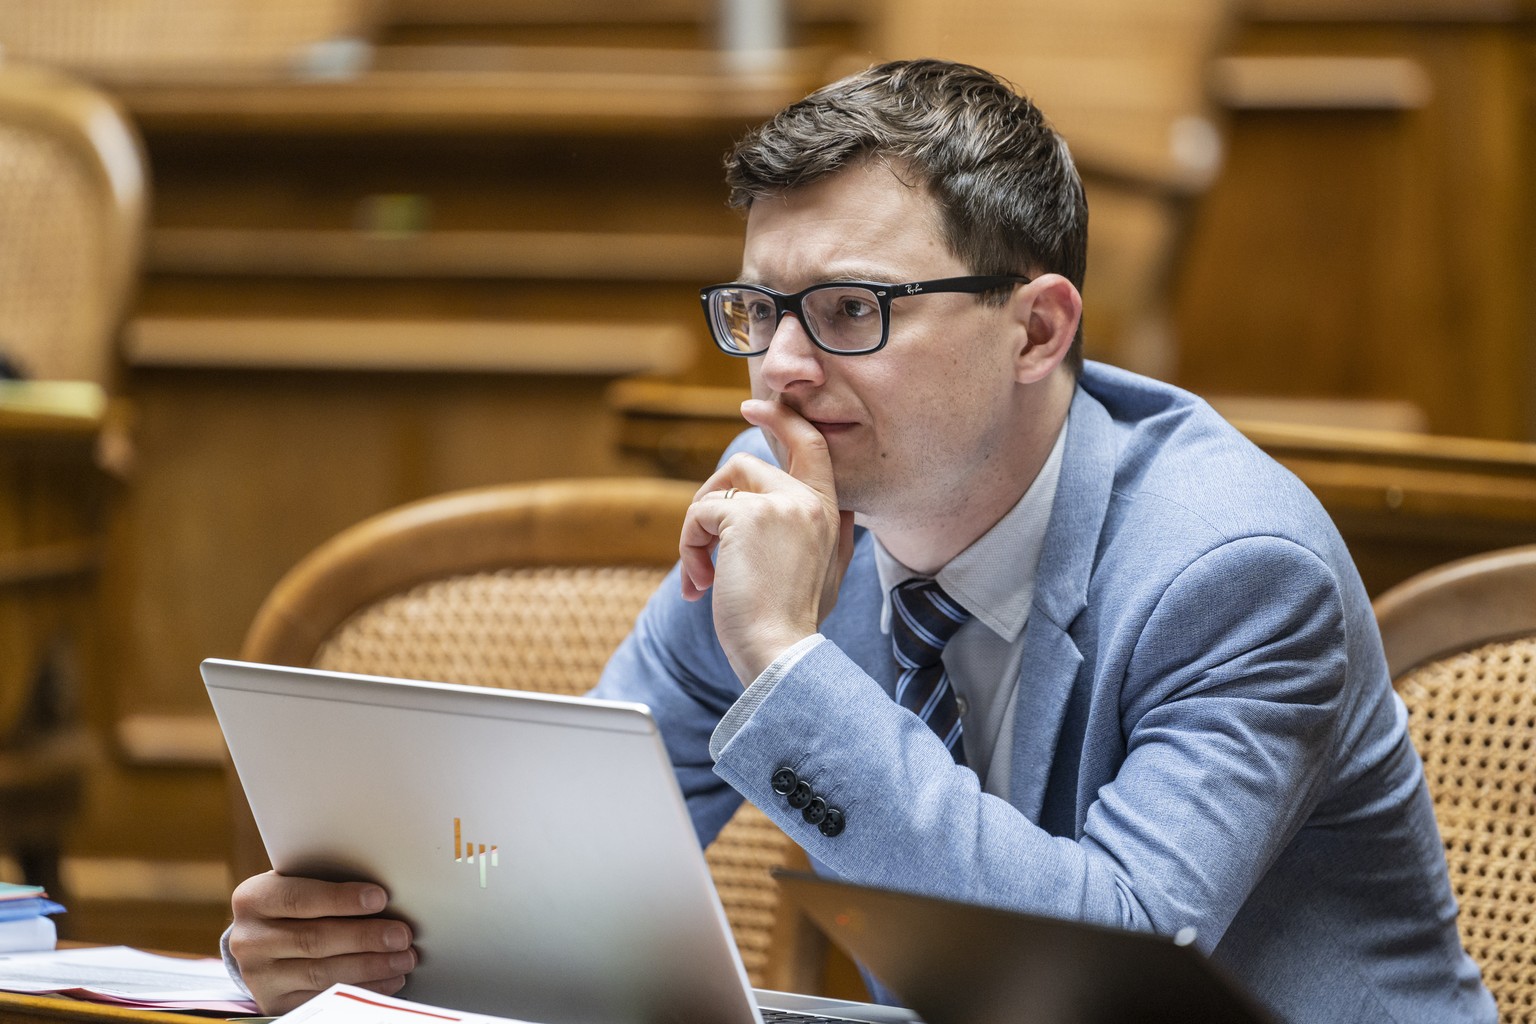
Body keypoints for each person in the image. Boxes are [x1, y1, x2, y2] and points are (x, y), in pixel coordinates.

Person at [225, 59, 1495, 1022]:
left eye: (846, 310)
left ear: (1039, 331)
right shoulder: (774, 500)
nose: (777, 370)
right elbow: (557, 869)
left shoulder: (1232, 568)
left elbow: (1116, 966)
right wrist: (362, 944)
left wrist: (784, 662)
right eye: (760, 309)